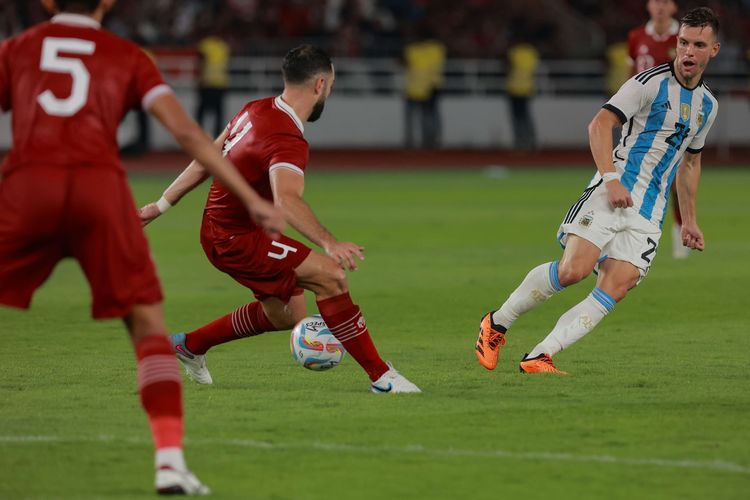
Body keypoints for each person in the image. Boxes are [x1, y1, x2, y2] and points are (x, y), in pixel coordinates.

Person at [0, 0, 285, 495]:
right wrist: (249, 199)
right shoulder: (126, 56)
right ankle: (170, 461)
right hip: (100, 193)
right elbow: (188, 134)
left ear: (47, 2)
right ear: (106, 3)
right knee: (148, 325)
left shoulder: (16, 50)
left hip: (29, 188)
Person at [139, 45, 421, 394]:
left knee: (287, 316)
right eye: (330, 86)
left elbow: (207, 157)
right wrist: (329, 242)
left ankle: (189, 345)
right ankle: (382, 377)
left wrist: (161, 204)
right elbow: (286, 200)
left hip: (230, 229)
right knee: (331, 276)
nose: (328, 93)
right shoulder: (286, 137)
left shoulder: (254, 109)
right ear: (319, 85)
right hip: (234, 238)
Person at [474, 7, 720, 375]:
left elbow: (689, 163)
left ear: (713, 50)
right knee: (574, 270)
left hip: (649, 211)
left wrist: (690, 220)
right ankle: (496, 323)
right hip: (613, 189)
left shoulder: (708, 106)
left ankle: (541, 354)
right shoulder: (647, 84)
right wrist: (610, 178)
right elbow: (600, 124)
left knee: (618, 285)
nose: (688, 52)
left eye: (698, 45)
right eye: (683, 42)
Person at [628, 0, 688, 259]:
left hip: (674, 119)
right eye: (656, 1)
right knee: (632, 174)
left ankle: (681, 229)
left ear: (674, 7)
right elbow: (633, 74)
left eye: (665, 2)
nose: (660, 7)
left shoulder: (683, 39)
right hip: (641, 120)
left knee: (676, 179)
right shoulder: (636, 36)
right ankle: (630, 232)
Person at [403, 26, 445, 149]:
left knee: (425, 117)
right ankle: (427, 142)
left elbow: (404, 62)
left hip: (425, 88)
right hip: (419, 88)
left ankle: (427, 142)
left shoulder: (418, 49)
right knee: (427, 117)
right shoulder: (435, 48)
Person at [506, 40, 540, 151]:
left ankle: (520, 143)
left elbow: (508, 67)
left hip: (514, 88)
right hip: (528, 88)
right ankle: (531, 142)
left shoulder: (514, 51)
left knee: (517, 118)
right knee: (526, 117)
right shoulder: (532, 52)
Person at [195, 31, 230, 138]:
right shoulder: (221, 46)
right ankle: (210, 139)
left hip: (213, 84)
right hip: (214, 84)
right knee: (214, 113)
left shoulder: (208, 45)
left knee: (205, 113)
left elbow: (199, 63)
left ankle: (202, 138)